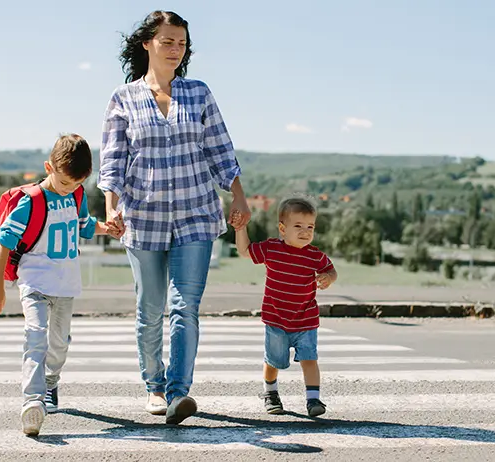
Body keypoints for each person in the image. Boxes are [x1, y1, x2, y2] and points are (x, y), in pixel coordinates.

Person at [98, 10, 252, 425]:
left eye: (181, 43)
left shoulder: (199, 93)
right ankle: (154, 384)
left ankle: (178, 393)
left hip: (196, 214)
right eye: (167, 41)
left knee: (186, 307)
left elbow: (222, 151)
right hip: (143, 217)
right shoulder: (123, 98)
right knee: (151, 307)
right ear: (147, 43)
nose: (175, 49)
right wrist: (112, 209)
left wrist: (238, 197)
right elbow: (112, 161)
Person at [0, 134, 114, 436]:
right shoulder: (31, 202)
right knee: (36, 337)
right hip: (34, 282)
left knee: (58, 345)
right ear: (48, 167)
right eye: (65, 183)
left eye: (76, 183)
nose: (70, 189)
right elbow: (4, 240)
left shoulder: (77, 195)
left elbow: (84, 226)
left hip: (66, 285)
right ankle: (32, 400)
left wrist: (107, 229)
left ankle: (51, 382)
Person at [233, 197, 338, 417]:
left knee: (310, 359)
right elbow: (245, 251)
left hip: (306, 320)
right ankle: (270, 393)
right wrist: (240, 228)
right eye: (298, 226)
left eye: (310, 227)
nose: (305, 231)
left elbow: (331, 270)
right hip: (276, 321)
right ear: (282, 228)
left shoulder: (314, 255)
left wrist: (329, 277)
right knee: (274, 361)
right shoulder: (272, 249)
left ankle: (313, 400)